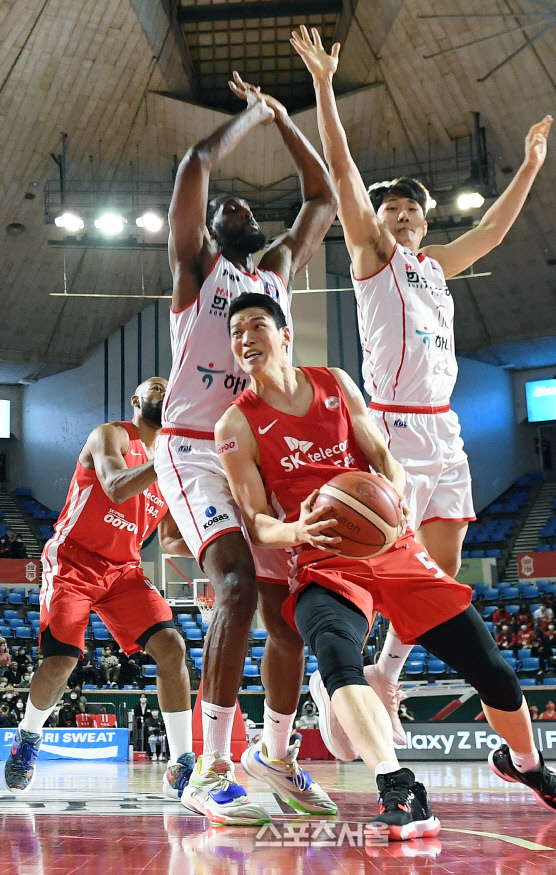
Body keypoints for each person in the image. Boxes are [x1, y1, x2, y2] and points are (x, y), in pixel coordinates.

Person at [213, 293, 556, 837]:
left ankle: (526, 764)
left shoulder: (335, 384)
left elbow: (384, 457)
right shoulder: (235, 424)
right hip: (320, 561)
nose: (246, 339)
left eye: (257, 326)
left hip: (393, 547)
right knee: (337, 660)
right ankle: (399, 788)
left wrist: (398, 491)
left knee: (491, 670)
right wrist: (297, 531)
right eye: (236, 331)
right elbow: (257, 521)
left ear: (285, 334)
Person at [291, 25, 553, 744]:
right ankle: (333, 670)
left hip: (443, 426)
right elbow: (343, 175)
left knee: (441, 567)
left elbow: (493, 232)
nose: (400, 216)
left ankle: (385, 673)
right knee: (381, 557)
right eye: (389, 210)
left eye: (410, 209)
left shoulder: (435, 266)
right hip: (393, 425)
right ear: (373, 223)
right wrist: (322, 86)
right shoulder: (373, 261)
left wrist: (528, 165)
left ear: (424, 219)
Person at [154, 72, 338, 826]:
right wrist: (252, 116)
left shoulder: (276, 275)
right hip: (194, 448)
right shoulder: (198, 269)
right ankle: (210, 766)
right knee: (231, 587)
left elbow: (321, 198)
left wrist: (291, 121)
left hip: (255, 454)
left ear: (255, 227)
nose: (231, 203)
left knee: (286, 615)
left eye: (243, 205)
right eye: (223, 206)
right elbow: (196, 161)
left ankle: (276, 754)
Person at [4, 378, 194, 800]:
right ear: (137, 401)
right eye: (155, 386)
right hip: (73, 559)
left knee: (173, 647)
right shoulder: (111, 435)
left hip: (122, 571)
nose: (163, 391)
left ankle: (182, 762)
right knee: (61, 662)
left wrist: (220, 544)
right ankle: (29, 738)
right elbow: (115, 485)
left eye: (168, 387)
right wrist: (172, 464)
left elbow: (169, 541)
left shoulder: (168, 466)